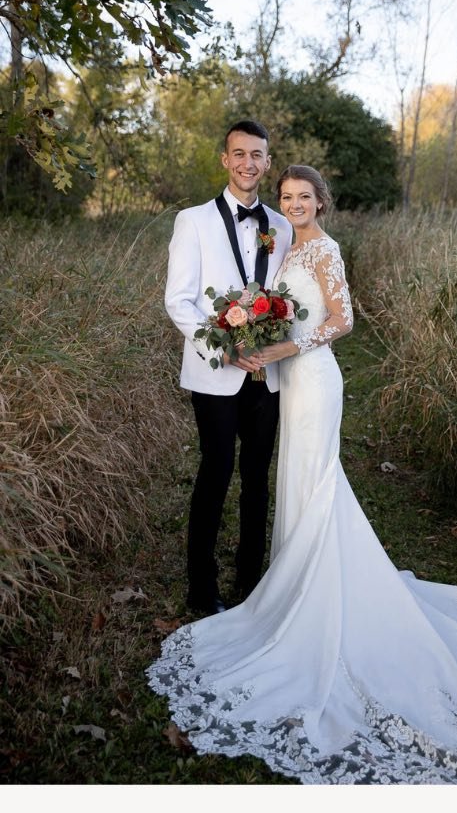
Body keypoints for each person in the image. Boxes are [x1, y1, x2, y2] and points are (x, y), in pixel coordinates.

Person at [147, 165, 457, 783]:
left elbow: (342, 320)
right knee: (299, 482)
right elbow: (279, 307)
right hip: (290, 384)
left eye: (304, 197)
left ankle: (317, 600)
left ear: (322, 201)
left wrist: (283, 348)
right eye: (287, 197)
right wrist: (257, 331)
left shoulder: (326, 249)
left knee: (315, 484)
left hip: (314, 381)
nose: (294, 205)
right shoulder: (288, 244)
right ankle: (292, 588)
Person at [163, 121, 294, 616]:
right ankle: (202, 587)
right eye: (238, 154)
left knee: (258, 477)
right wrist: (222, 348)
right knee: (215, 472)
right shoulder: (192, 221)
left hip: (267, 374)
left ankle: (251, 579)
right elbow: (178, 301)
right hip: (215, 373)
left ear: (266, 160)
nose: (247, 163)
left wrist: (271, 345)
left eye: (256, 155)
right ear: (225, 160)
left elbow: (288, 296)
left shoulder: (281, 226)